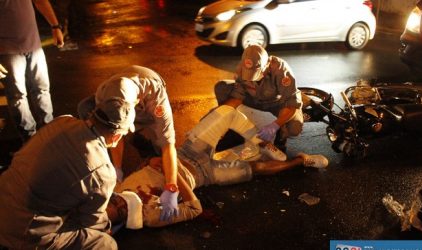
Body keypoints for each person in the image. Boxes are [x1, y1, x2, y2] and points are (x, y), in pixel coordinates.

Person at [106, 105, 328, 230]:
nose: (120, 200)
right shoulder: (150, 217)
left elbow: (140, 170)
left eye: (115, 201)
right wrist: (171, 177)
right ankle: (301, 160)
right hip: (205, 175)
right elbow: (195, 208)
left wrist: (148, 162)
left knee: (225, 113)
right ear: (126, 218)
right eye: (122, 208)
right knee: (256, 168)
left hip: (186, 153)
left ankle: (262, 142)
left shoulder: (117, 188)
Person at [0, 96, 136, 249]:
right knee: (106, 243)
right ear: (117, 136)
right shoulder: (103, 172)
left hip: (4, 198)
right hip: (22, 234)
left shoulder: (62, 121)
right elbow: (88, 223)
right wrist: (109, 219)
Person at [78, 65, 180, 222]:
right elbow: (114, 133)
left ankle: (146, 150)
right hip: (124, 105)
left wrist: (172, 186)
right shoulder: (104, 96)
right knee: (87, 110)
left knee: (160, 152)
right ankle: (136, 143)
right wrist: (117, 168)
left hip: (147, 107)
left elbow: (168, 144)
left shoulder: (156, 100)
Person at [215, 44, 313, 154]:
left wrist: (275, 125)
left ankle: (280, 138)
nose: (252, 79)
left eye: (255, 74)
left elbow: (291, 103)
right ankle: (232, 127)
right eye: (249, 74)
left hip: (277, 103)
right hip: (255, 99)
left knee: (294, 128)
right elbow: (237, 96)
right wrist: (220, 114)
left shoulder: (280, 69)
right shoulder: (242, 69)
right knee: (221, 87)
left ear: (267, 64)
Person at [0, 0, 64, 142]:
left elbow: (40, 1)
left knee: (42, 89)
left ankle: (50, 132)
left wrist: (55, 26)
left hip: (33, 45)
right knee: (18, 96)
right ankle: (30, 140)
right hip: (7, 49)